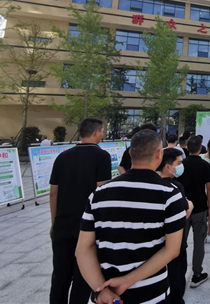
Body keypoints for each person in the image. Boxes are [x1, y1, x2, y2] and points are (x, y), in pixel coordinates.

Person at [75, 129, 186, 304]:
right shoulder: (170, 194)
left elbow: (83, 249)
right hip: (151, 295)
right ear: (159, 154)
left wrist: (100, 290)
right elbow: (172, 250)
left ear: (130, 153)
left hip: (106, 296)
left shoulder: (99, 194)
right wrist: (127, 281)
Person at [49, 118, 111, 304]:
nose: (102, 134)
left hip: (62, 225)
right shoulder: (102, 156)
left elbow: (53, 192)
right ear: (96, 132)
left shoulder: (63, 157)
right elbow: (101, 192)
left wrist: (54, 223)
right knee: (82, 276)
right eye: (102, 131)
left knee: (60, 275)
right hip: (87, 227)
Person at [177, 135, 210, 288]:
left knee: (179, 242)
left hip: (182, 208)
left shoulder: (180, 166)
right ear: (200, 148)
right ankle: (197, 274)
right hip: (200, 208)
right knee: (199, 242)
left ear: (187, 148)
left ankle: (178, 274)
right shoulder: (205, 165)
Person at [157, 148, 193, 304]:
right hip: (175, 244)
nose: (181, 166)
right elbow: (182, 215)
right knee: (176, 283)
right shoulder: (175, 187)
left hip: (157, 247)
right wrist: (190, 205)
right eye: (179, 163)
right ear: (167, 166)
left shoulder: (153, 184)